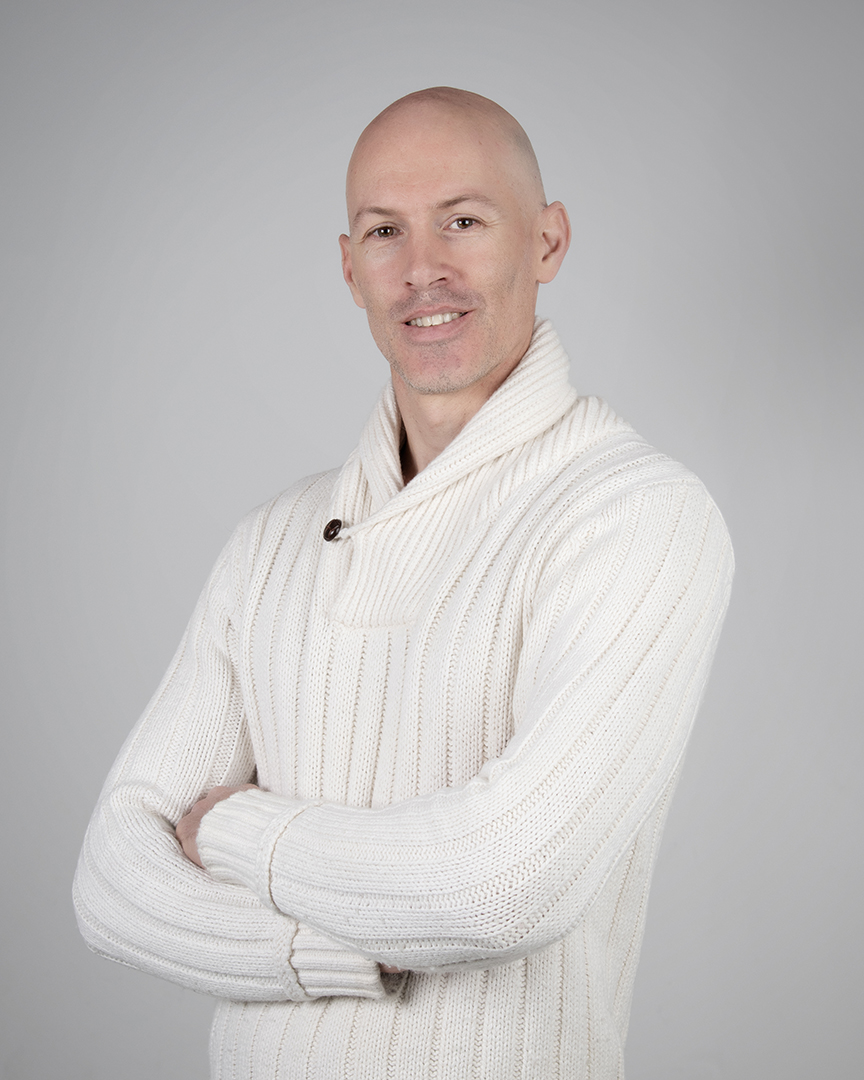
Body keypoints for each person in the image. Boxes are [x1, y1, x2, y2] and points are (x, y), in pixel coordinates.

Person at [74, 87, 733, 1079]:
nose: (424, 268)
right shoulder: (270, 543)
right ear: (350, 267)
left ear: (547, 241)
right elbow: (112, 883)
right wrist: (331, 953)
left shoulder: (635, 516)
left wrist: (233, 829)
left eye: (463, 221)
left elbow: (505, 883)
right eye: (386, 231)